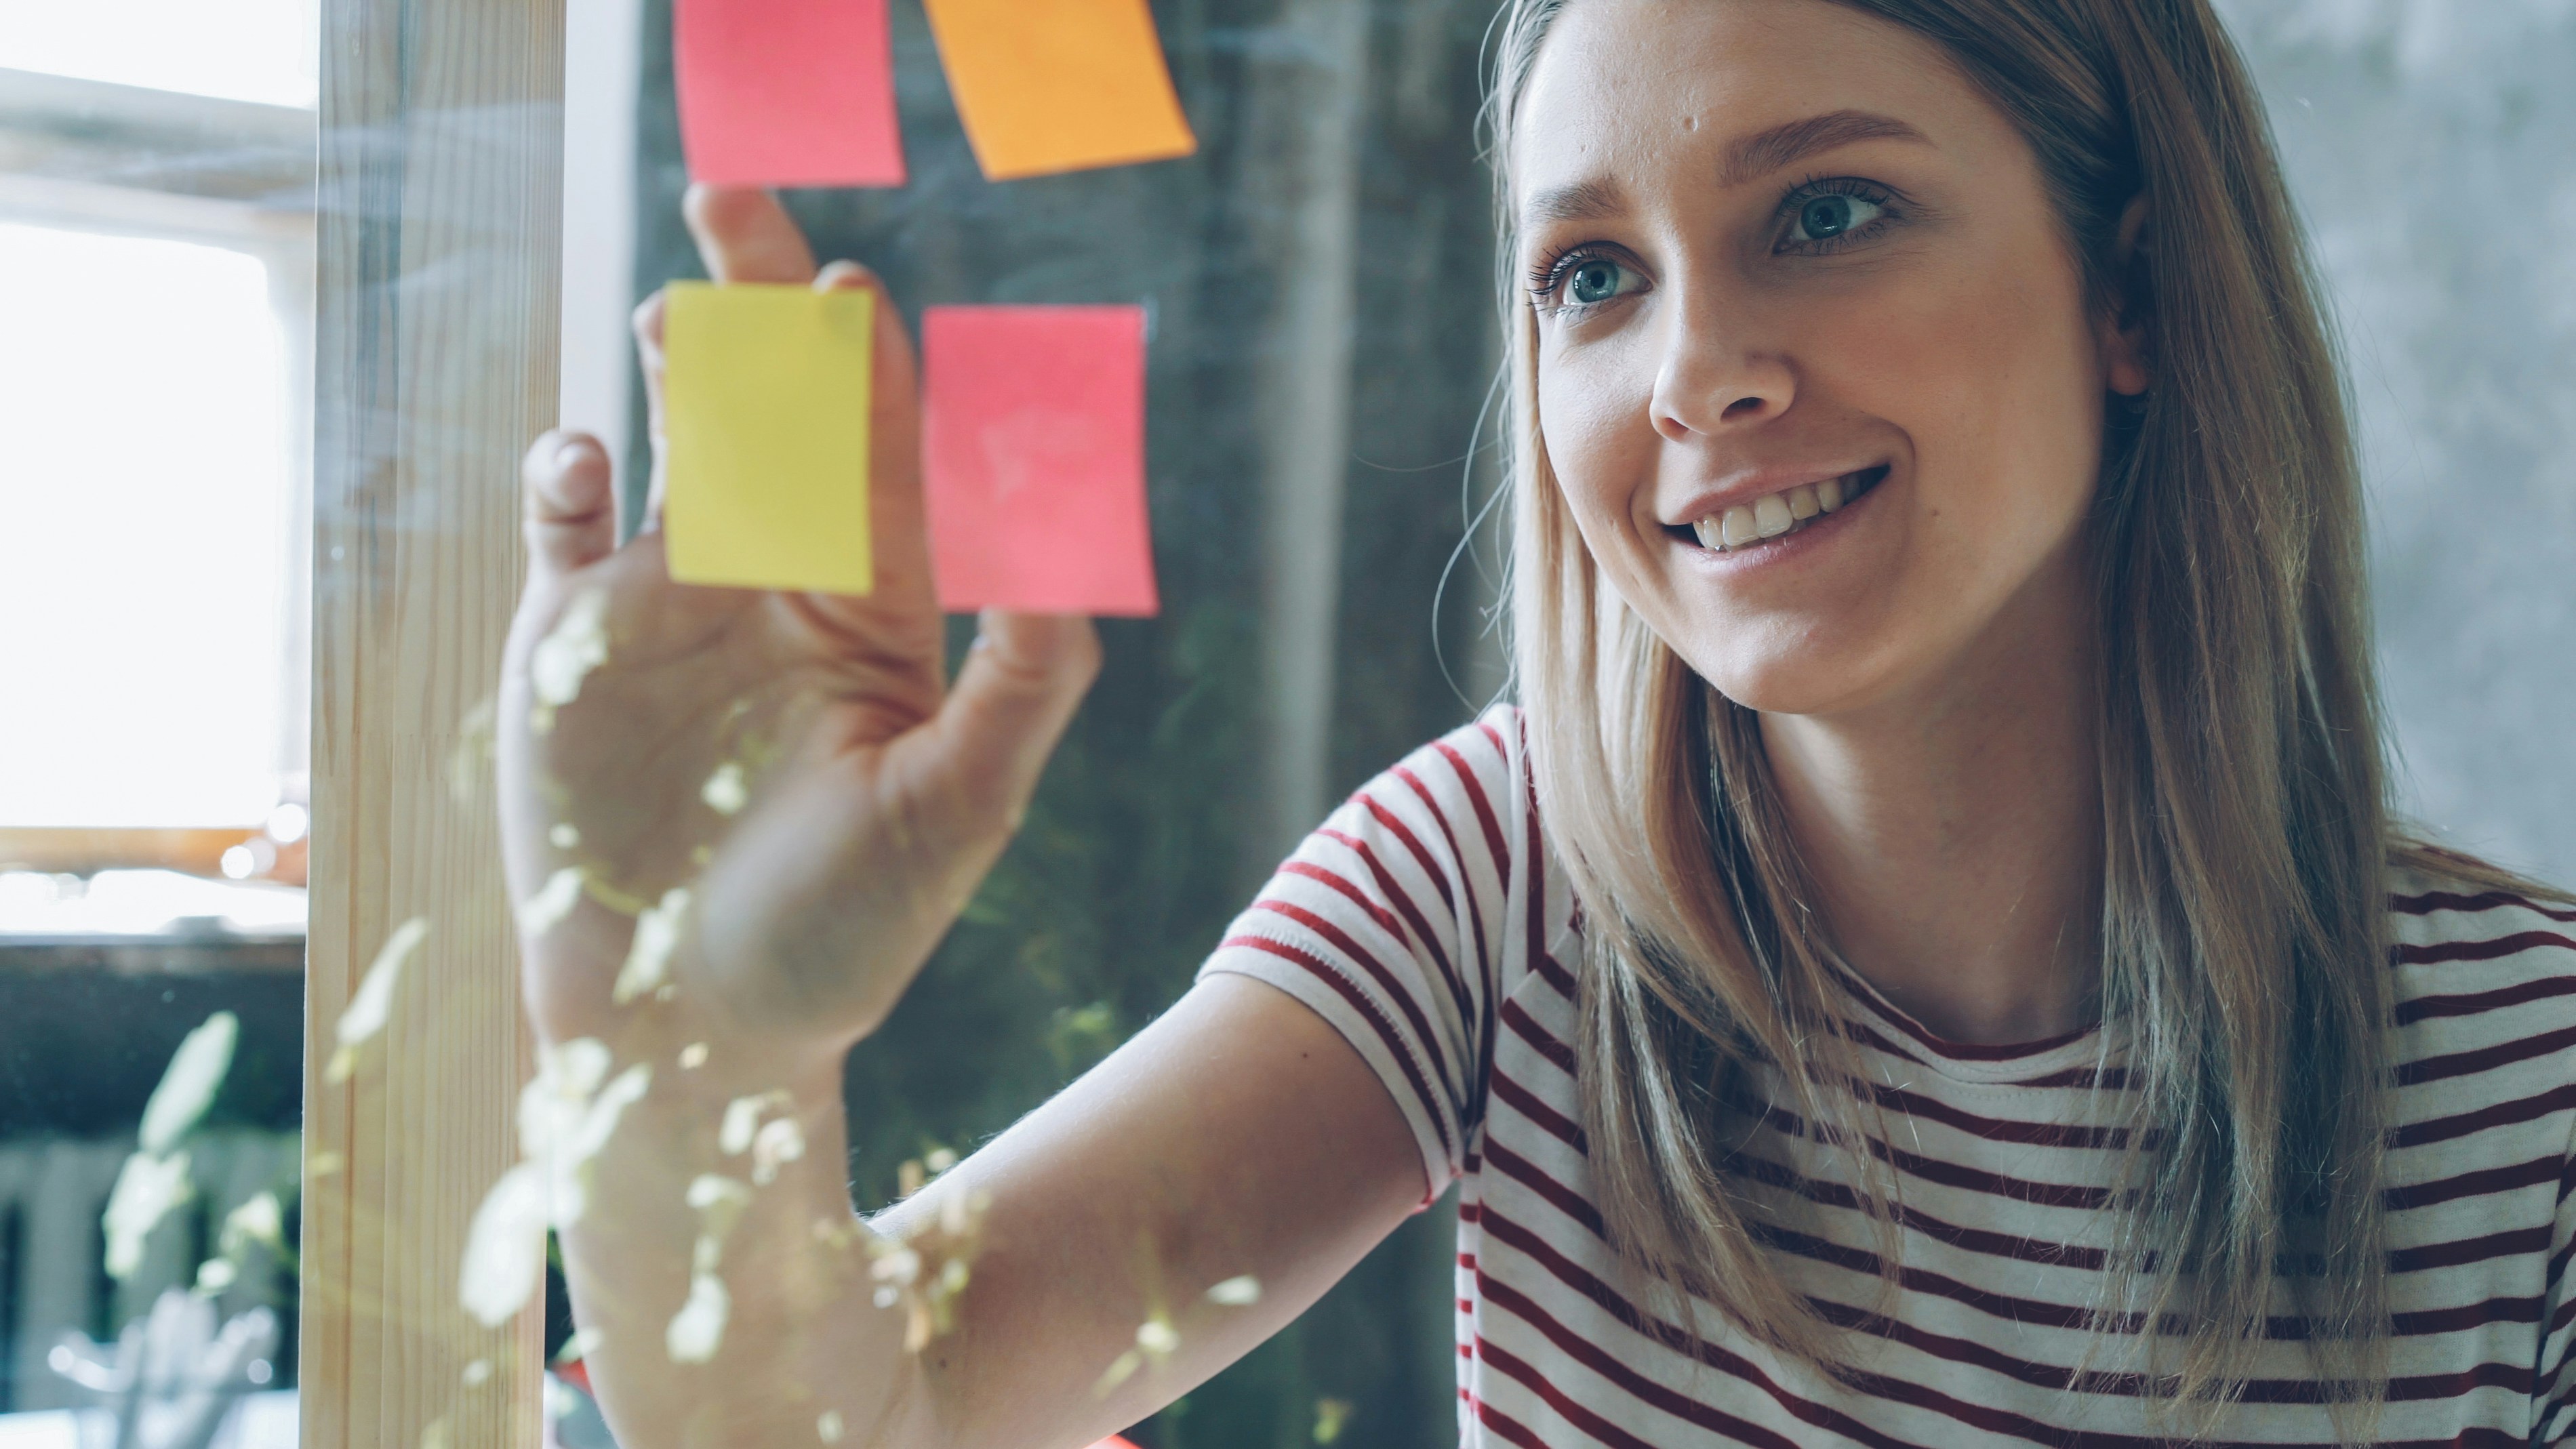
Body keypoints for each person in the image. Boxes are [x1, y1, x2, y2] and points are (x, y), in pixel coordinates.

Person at [496, 0, 2576, 1444]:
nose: (1697, 371)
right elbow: (854, 1414)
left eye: (1827, 213)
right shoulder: (1498, 889)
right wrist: (683, 1037)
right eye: (1594, 274)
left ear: (2132, 291)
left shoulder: (2535, 1084)